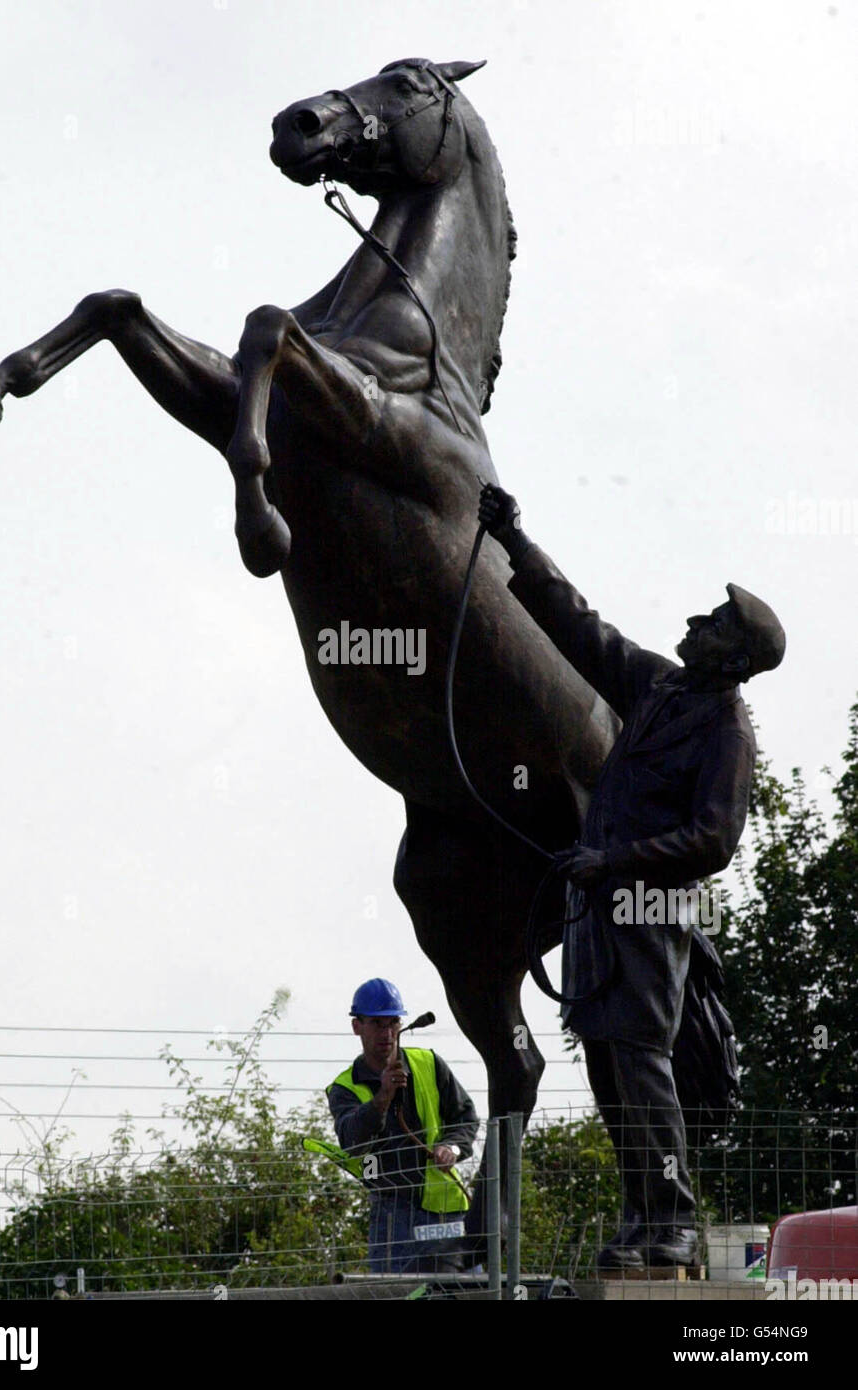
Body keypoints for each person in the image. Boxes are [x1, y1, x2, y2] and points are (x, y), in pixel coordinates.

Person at [478, 484, 785, 1270]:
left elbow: (713, 838)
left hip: (649, 911)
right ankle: (640, 1218)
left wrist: (611, 861)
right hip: (598, 908)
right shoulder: (658, 689)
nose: (694, 622)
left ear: (736, 659)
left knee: (643, 1062)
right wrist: (515, 540)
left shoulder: (725, 730)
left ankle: (672, 1221)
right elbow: (583, 630)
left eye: (714, 624)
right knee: (610, 1064)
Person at [307, 978, 479, 1274]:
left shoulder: (429, 1063)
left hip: (448, 1211)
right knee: (394, 1292)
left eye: (393, 1023)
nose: (387, 1034)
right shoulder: (344, 1088)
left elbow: (465, 1117)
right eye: (377, 1024)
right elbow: (353, 1143)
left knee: (462, 1294)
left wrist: (450, 1147)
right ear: (357, 1026)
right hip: (393, 1215)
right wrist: (383, 1097)